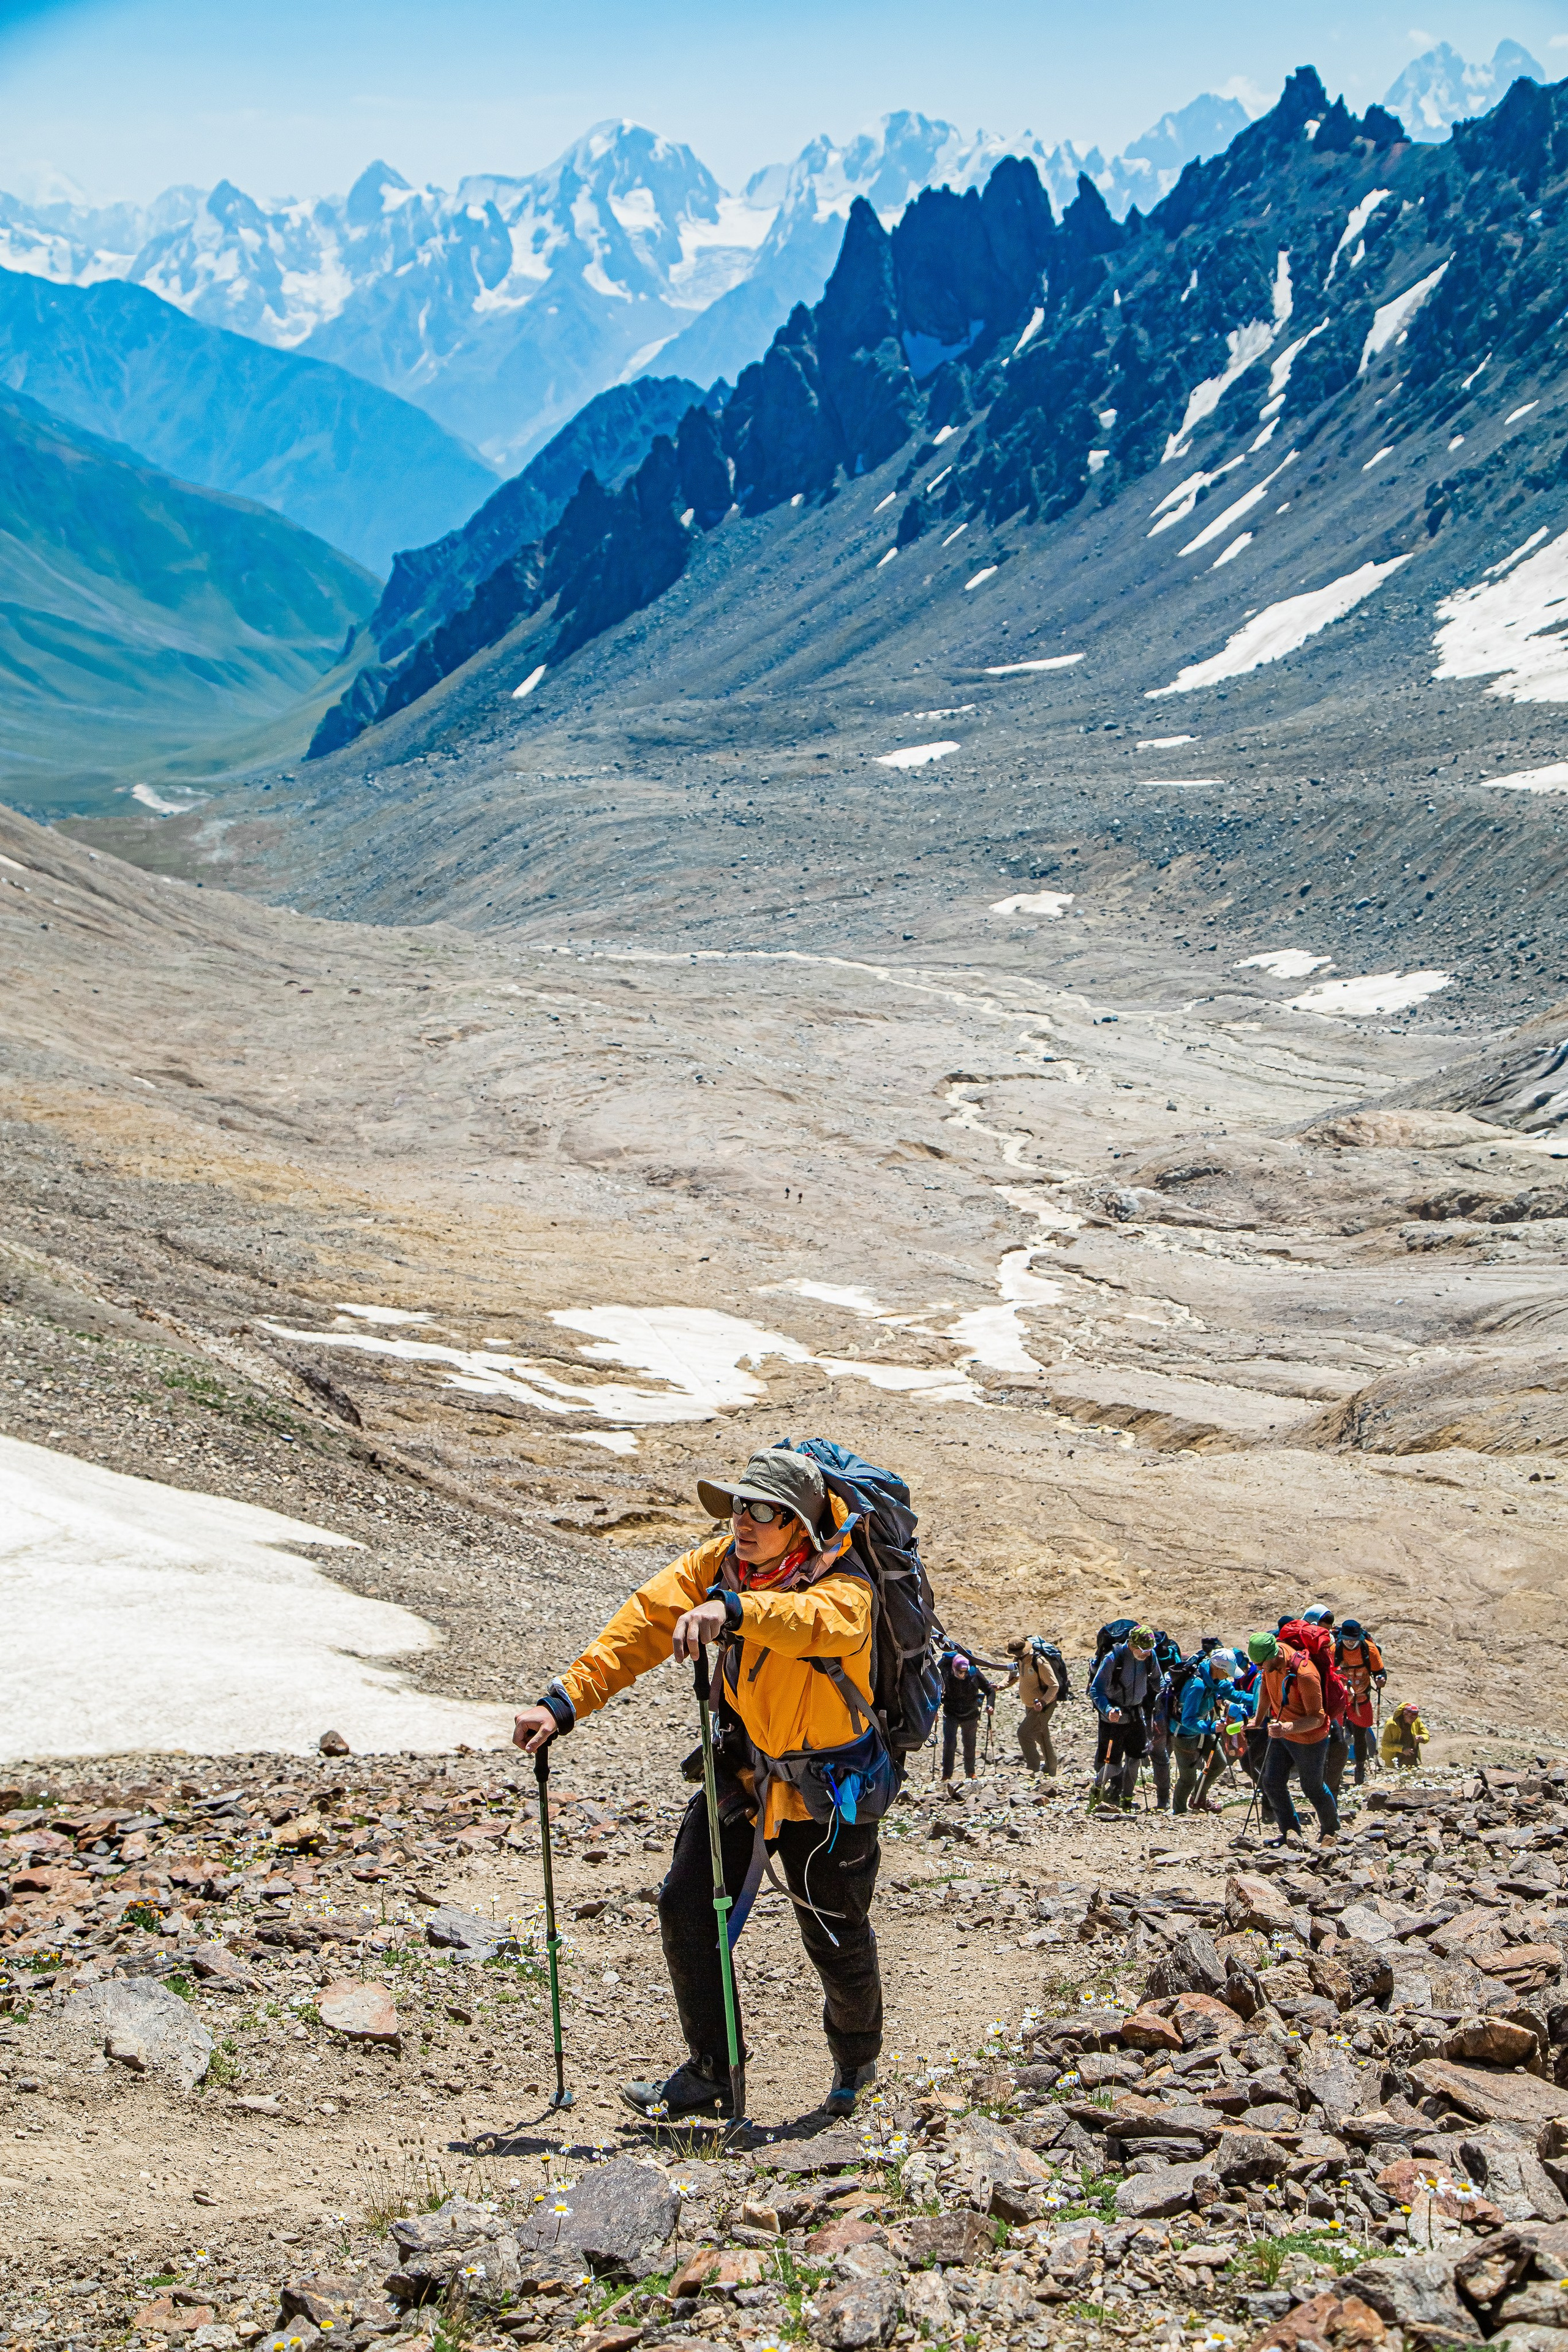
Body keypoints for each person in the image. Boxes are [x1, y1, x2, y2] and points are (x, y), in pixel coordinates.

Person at [511, 1446, 886, 2122]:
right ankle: (714, 2072)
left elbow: (818, 1625)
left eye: (763, 1510)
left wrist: (735, 1612)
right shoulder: (718, 1567)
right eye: (739, 1505)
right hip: (743, 1770)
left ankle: (856, 2059)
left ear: (800, 1523)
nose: (744, 1521)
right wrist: (563, 1702)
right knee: (687, 1909)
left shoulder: (847, 1586)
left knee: (834, 1929)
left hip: (832, 1788)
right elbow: (642, 1626)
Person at [1247, 1630, 1339, 1846]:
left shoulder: (1305, 1674)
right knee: (1272, 1783)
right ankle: (1291, 1833)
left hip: (1309, 1739)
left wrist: (1287, 1728)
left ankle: (1332, 1831)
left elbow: (1318, 1718)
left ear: (1275, 1655)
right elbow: (1267, 1690)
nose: (1259, 1669)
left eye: (1261, 1664)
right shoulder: (1270, 1662)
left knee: (1312, 1787)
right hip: (1282, 1732)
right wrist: (1258, 1719)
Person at [1088, 1624, 1165, 1812]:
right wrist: (1108, 1709)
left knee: (1136, 1758)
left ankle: (1127, 1800)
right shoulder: (1114, 1658)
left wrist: (1166, 1693)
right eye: (1144, 1650)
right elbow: (1095, 1690)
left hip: (1136, 1716)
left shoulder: (1149, 1657)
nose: (1147, 1654)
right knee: (1112, 1764)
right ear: (1132, 1644)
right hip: (1113, 1720)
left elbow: (1158, 1680)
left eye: (1150, 1650)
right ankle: (1097, 1789)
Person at [1172, 1646, 1238, 1813]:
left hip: (1205, 1729)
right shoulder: (1198, 1686)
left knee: (1219, 1763)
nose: (1229, 1676)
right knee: (1188, 1779)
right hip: (1185, 1734)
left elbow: (1235, 1695)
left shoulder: (1214, 1680)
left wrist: (1260, 1701)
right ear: (1216, 1668)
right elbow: (1187, 1719)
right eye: (1227, 1671)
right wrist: (1210, 1727)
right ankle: (1178, 1813)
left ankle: (1198, 1799)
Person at [1327, 1618, 1386, 1795]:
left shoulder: (1370, 1649)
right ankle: (1334, 1773)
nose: (1350, 1643)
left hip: (1361, 1697)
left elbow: (1380, 1671)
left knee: (1360, 1734)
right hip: (1340, 1698)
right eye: (1347, 1639)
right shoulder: (1333, 1650)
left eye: (1353, 1640)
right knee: (1336, 1734)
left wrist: (1381, 1680)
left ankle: (1360, 1768)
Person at [1006, 1635, 1060, 1776]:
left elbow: (1054, 1686)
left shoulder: (1039, 1662)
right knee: (1041, 1735)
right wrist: (1001, 1686)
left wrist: (1043, 1702)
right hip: (1030, 1705)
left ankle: (1033, 1767)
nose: (1016, 1655)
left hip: (1043, 1706)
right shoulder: (1019, 1660)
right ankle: (1050, 1768)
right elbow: (1013, 1675)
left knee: (1024, 1733)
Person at [941, 1648, 995, 1787]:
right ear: (954, 1668)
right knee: (949, 1744)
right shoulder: (945, 1674)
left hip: (970, 1715)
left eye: (964, 1672)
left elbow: (990, 1690)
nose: (962, 1675)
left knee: (970, 1744)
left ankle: (970, 1772)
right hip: (951, 1713)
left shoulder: (974, 1674)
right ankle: (947, 1774)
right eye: (960, 1672)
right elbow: (936, 1692)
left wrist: (990, 1705)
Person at [1381, 1700, 1428, 1770]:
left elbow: (1426, 1734)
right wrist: (1402, 1749)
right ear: (1405, 1714)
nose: (1413, 1720)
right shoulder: (1391, 1724)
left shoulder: (1416, 1721)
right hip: (1394, 1759)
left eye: (1415, 1718)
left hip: (1411, 1758)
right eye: (1411, 1718)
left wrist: (1422, 1738)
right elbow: (1385, 1744)